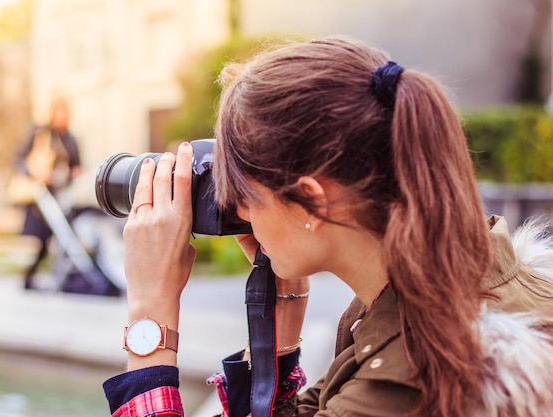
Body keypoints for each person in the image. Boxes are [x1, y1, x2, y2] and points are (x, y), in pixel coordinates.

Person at [102, 36, 553, 417]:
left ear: (312, 202)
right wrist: (276, 333)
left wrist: (151, 320)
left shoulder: (404, 382)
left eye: (243, 190)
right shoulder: (427, 299)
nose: (234, 207)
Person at [14, 97, 82, 290]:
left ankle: (60, 277)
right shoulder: (41, 134)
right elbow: (19, 160)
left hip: (61, 196)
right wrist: (35, 174)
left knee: (63, 236)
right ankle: (29, 278)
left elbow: (76, 164)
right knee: (42, 240)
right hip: (41, 197)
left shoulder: (70, 138)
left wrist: (76, 172)